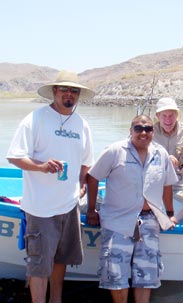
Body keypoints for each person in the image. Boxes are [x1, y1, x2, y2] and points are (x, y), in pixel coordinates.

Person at [6, 70, 95, 303]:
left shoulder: (81, 124)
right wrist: (42, 166)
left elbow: (86, 161)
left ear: (78, 95)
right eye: (64, 89)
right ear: (54, 91)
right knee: (38, 265)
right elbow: (14, 157)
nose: (69, 94)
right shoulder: (35, 119)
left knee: (60, 260)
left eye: (74, 90)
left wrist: (82, 184)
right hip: (40, 209)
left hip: (69, 206)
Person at [86, 114, 178, 303]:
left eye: (148, 129)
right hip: (117, 221)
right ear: (131, 131)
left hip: (150, 221)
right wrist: (91, 209)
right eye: (138, 128)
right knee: (115, 274)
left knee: (147, 276)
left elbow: (168, 185)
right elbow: (93, 177)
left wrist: (169, 214)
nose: (143, 132)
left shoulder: (161, 154)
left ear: (153, 132)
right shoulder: (114, 151)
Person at [153, 97, 183, 224]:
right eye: (164, 116)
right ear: (157, 116)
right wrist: (165, 158)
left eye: (171, 115)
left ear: (177, 115)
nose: (168, 119)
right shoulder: (150, 131)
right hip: (154, 177)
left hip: (178, 177)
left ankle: (171, 222)